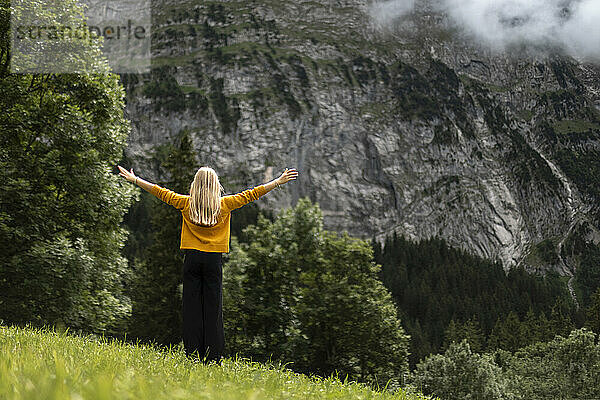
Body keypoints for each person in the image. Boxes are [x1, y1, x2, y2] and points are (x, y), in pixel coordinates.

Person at [117, 165, 298, 364]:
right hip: (213, 261)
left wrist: (135, 180)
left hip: (192, 259)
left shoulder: (185, 203)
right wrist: (277, 182)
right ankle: (213, 358)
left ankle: (193, 354)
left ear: (195, 185)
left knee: (191, 309)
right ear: (215, 186)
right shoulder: (225, 205)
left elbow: (160, 192)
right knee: (213, 310)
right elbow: (252, 194)